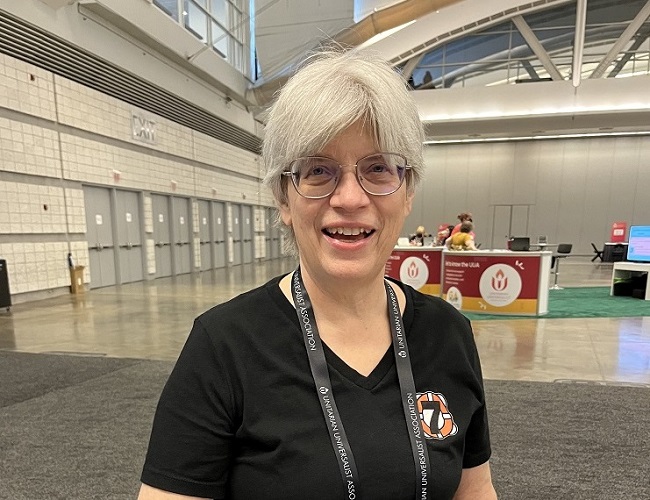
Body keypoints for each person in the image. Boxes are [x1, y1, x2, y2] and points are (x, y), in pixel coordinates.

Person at [138, 49, 496, 500]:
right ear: (284, 199)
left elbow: (475, 489)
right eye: (318, 170)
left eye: (378, 168)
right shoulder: (225, 345)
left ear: (407, 194)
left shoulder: (448, 335)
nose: (349, 198)